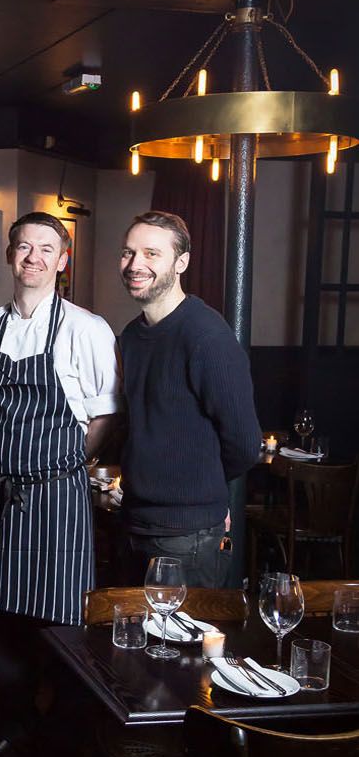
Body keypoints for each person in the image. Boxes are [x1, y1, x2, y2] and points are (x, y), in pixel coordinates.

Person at [0, 213, 122, 757]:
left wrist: (58, 466)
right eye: (23, 247)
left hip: (58, 494)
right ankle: (10, 725)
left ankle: (64, 733)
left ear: (63, 261)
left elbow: (105, 416)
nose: (33, 257)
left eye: (46, 249)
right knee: (1, 617)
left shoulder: (87, 328)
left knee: (61, 620)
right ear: (9, 255)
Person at [118, 210, 262, 587]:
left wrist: (203, 493)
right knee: (129, 644)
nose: (136, 264)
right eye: (128, 253)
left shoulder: (206, 337)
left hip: (188, 535)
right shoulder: (131, 337)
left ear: (181, 262)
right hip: (133, 521)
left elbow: (246, 445)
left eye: (151, 254)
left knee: (180, 645)